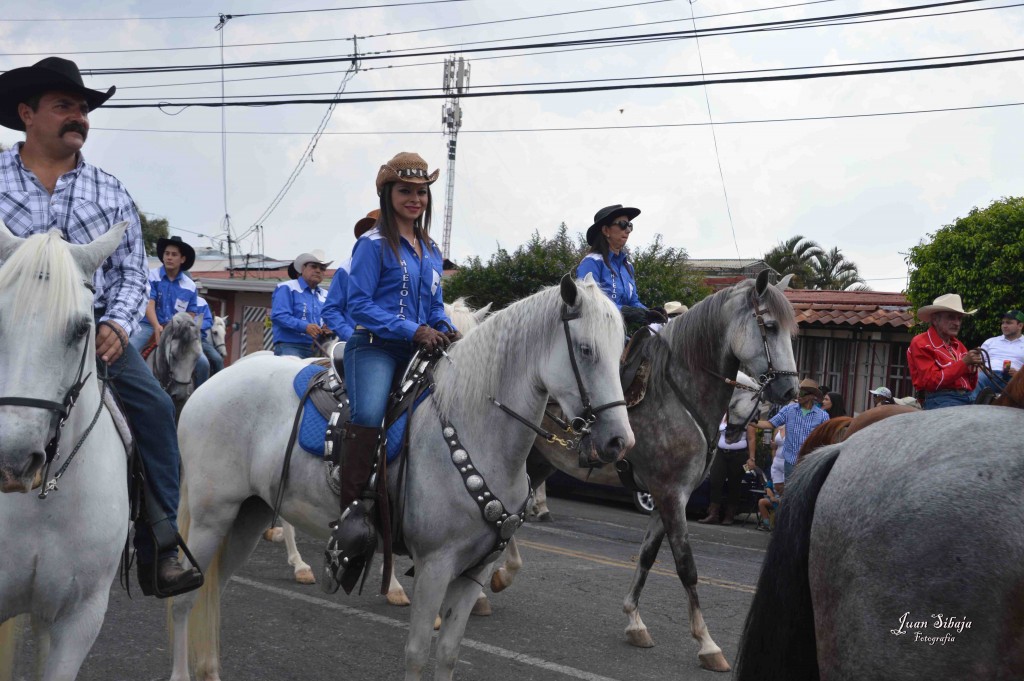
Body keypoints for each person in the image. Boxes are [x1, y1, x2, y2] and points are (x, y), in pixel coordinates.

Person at [0, 57, 201, 595]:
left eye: (83, 109)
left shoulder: (111, 191)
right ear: (27, 114)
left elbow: (132, 271)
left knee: (155, 409)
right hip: (6, 329)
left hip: (87, 331)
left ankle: (161, 543)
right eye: (64, 106)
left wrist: (117, 322)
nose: (79, 117)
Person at [326, 152, 458, 589]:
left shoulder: (431, 249)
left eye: (421, 192)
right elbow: (359, 305)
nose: (415, 199)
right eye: (406, 191)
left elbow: (434, 305)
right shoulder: (372, 244)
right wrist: (412, 329)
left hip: (419, 347)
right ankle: (351, 522)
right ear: (388, 194)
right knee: (368, 413)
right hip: (375, 348)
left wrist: (445, 327)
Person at [131, 235, 211, 387]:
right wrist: (156, 326)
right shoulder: (151, 276)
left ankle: (198, 395)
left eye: (174, 254)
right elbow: (149, 303)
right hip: (149, 325)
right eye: (167, 253)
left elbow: (191, 313)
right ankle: (121, 392)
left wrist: (181, 330)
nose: (169, 257)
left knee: (203, 364)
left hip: (177, 330)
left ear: (182, 259)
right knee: (128, 350)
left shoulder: (190, 285)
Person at [575, 204, 666, 330]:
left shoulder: (628, 267)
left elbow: (633, 302)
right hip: (595, 334)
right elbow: (589, 301)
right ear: (606, 230)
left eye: (630, 225)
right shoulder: (591, 262)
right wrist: (625, 311)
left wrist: (649, 312)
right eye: (623, 224)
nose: (628, 230)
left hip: (620, 333)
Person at [907, 293, 983, 409]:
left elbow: (971, 384)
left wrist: (973, 369)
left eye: (959, 318)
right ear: (935, 319)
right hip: (939, 398)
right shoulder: (921, 343)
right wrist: (964, 363)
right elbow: (931, 382)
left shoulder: (959, 345)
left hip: (969, 396)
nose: (957, 323)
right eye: (951, 317)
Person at [753, 378, 829, 479]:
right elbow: (770, 424)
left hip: (809, 463)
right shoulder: (789, 409)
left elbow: (825, 441)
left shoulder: (823, 416)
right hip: (790, 462)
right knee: (789, 488)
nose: (798, 396)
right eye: (798, 392)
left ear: (811, 396)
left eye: (802, 393)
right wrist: (750, 422)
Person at [323, 211, 379, 344]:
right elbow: (331, 309)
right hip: (361, 343)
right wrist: (351, 336)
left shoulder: (404, 267)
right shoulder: (347, 268)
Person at [271, 250, 331, 359]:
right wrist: (305, 327)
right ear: (303, 268)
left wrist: (329, 328)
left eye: (322, 268)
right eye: (314, 266)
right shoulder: (287, 288)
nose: (318, 271)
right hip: (290, 345)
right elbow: (279, 316)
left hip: (318, 347)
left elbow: (329, 318)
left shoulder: (326, 294)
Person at [698, 417, 756, 525]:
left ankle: (730, 515)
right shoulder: (724, 414)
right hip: (721, 453)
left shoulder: (747, 416)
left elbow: (751, 438)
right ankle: (713, 514)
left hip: (739, 455)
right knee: (715, 480)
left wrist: (751, 458)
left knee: (735, 484)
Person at [972, 309, 1024, 399]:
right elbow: (977, 363)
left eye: (1009, 323)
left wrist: (1019, 375)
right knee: (976, 379)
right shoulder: (991, 341)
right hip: (988, 375)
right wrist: (980, 369)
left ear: (1020, 325)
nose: (1004, 326)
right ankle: (970, 406)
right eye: (1003, 323)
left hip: (1014, 378)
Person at [195, 295, 224, 376]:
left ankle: (219, 381)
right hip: (182, 339)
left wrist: (198, 326)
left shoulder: (202, 302)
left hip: (200, 339)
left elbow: (209, 320)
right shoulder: (180, 297)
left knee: (218, 359)